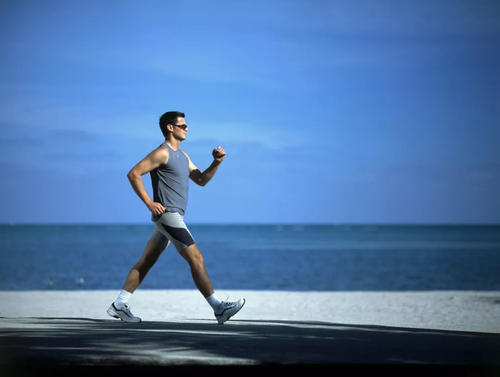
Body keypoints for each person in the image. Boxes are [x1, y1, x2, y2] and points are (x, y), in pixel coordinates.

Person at [107, 111, 245, 324]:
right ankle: (218, 308)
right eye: (183, 125)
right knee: (196, 258)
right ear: (170, 128)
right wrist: (149, 203)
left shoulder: (183, 156)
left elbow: (200, 179)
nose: (187, 128)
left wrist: (216, 162)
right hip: (168, 215)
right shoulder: (162, 153)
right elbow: (134, 173)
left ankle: (119, 304)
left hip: (172, 216)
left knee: (146, 262)